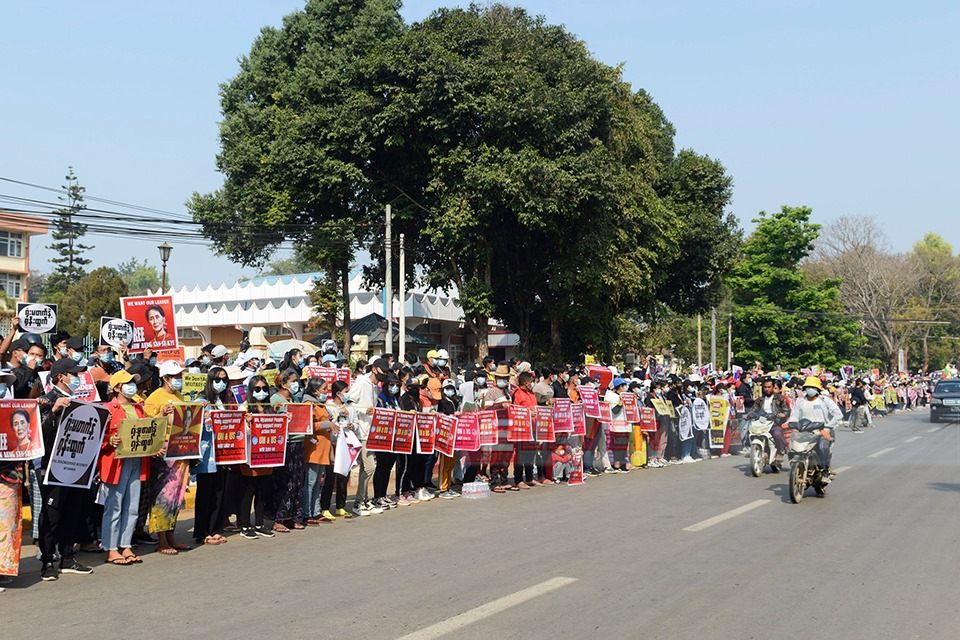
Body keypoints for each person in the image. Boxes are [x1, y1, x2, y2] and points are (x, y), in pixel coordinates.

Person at [36, 357, 95, 581]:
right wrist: (52, 412)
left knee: (72, 511)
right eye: (75, 375)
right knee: (51, 515)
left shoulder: (80, 400)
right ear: (61, 377)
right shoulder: (46, 400)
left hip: (76, 466)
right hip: (52, 466)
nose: (78, 379)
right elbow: (38, 435)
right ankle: (47, 560)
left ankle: (67, 556)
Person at [99, 370, 151, 565]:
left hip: (136, 459)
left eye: (134, 383)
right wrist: (110, 440)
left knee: (132, 505)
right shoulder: (108, 408)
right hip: (116, 461)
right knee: (115, 505)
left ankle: (126, 544)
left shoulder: (138, 407)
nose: (133, 386)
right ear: (117, 388)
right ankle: (111, 548)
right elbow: (98, 436)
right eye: (128, 383)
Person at [143, 360, 190, 555]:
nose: (179, 379)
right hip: (164, 453)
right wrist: (161, 414)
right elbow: (147, 425)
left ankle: (171, 535)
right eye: (176, 377)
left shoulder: (180, 395)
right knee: (162, 495)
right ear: (165, 378)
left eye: (180, 376)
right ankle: (161, 538)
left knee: (176, 496)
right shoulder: (154, 398)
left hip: (180, 451)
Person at [346, 357, 391, 516]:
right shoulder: (361, 382)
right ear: (374, 369)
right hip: (361, 432)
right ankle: (358, 502)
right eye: (383, 371)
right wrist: (364, 410)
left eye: (387, 372)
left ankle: (364, 499)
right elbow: (348, 402)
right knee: (370, 467)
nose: (385, 374)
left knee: (368, 468)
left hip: (371, 432)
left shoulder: (374, 386)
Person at [193, 367, 232, 546]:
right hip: (207, 455)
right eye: (217, 379)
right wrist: (203, 416)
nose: (221, 383)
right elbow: (193, 424)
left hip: (223, 453)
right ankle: (202, 531)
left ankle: (215, 528)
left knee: (219, 492)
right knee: (205, 494)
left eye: (224, 379)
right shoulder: (202, 401)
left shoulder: (224, 401)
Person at [238, 376, 276, 539]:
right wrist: (247, 424)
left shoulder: (269, 407)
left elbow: (275, 429)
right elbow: (240, 433)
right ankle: (245, 525)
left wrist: (285, 420)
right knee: (249, 490)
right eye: (257, 389)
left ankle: (259, 523)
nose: (261, 392)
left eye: (264, 389)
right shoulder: (245, 407)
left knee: (262, 490)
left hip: (266, 454)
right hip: (250, 456)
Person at [269, 368, 306, 531]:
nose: (296, 384)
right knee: (283, 481)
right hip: (284, 445)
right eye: (293, 381)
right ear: (283, 384)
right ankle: (279, 519)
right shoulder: (275, 399)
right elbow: (270, 421)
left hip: (298, 443)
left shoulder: (297, 399)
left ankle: (291, 517)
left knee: (296, 481)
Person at [787, 376, 843, 478]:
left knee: (822, 447)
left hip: (821, 432)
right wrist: (791, 424)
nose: (810, 389)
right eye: (808, 387)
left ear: (817, 389)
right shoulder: (800, 401)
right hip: (804, 432)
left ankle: (825, 470)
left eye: (812, 387)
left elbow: (838, 414)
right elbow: (794, 416)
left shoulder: (825, 400)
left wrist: (827, 427)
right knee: (792, 447)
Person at [301, 377, 335, 524]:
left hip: (323, 447)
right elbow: (306, 425)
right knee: (310, 482)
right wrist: (326, 424)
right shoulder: (308, 404)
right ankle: (306, 512)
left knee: (317, 483)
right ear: (315, 390)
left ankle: (316, 511)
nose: (326, 392)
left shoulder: (319, 404)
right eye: (323, 389)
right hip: (313, 446)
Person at [747, 376, 791, 457]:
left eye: (769, 387)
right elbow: (754, 409)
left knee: (777, 433)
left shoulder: (780, 399)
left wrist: (782, 415)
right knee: (750, 430)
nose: (767, 389)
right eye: (765, 387)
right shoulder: (759, 400)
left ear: (773, 387)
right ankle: (750, 448)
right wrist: (748, 415)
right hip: (761, 422)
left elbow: (787, 410)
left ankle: (780, 451)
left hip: (775, 422)